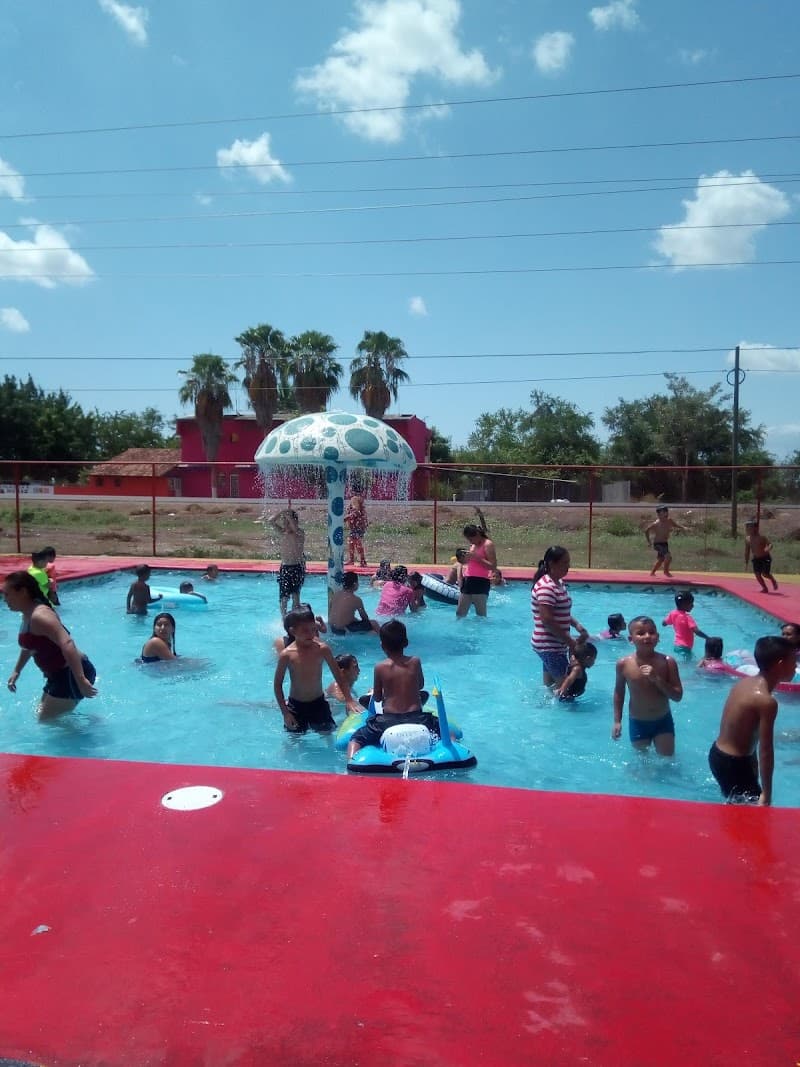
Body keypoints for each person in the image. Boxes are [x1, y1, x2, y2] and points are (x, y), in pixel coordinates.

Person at [708, 635, 796, 805]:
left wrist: (751, 762)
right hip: (734, 764)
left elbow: (744, 731)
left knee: (737, 808)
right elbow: (766, 751)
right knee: (753, 818)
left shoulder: (744, 683)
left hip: (719, 755)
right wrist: (767, 795)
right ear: (780, 665)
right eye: (793, 662)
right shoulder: (766, 701)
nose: (795, 666)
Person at [4, 570, 98, 719]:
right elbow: (30, 645)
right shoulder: (28, 614)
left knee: (47, 723)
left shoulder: (40, 616)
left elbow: (67, 643)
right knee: (43, 715)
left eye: (7, 594)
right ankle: (90, 721)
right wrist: (17, 671)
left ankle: (93, 728)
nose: (4, 599)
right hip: (58, 675)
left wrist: (81, 680)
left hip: (70, 674)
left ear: (22, 592)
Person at [346, 620, 439, 758]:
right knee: (446, 731)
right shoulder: (415, 661)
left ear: (382, 646)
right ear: (406, 642)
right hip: (417, 718)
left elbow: (377, 698)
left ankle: (351, 763)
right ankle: (453, 753)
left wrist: (386, 692)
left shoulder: (380, 667)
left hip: (388, 721)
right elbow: (420, 685)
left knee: (356, 739)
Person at [273, 607, 361, 733]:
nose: (311, 634)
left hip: (319, 704)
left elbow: (338, 675)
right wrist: (285, 713)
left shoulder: (322, 649)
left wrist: (349, 699)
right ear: (293, 631)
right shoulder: (287, 655)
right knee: (294, 740)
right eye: (305, 630)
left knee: (328, 735)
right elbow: (277, 685)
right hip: (296, 706)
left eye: (313, 629)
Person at [612, 615, 683, 756]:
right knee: (642, 765)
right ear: (631, 639)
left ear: (658, 636)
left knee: (667, 761)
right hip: (638, 722)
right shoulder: (623, 664)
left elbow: (677, 696)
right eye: (641, 633)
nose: (647, 636)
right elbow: (619, 692)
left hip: (663, 721)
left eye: (651, 632)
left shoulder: (668, 662)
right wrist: (617, 721)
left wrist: (657, 679)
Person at [530, 546, 588, 687]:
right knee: (569, 689)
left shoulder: (559, 583)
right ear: (552, 563)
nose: (568, 566)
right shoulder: (546, 587)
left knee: (550, 687)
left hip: (553, 645)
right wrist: (571, 641)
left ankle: (542, 708)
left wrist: (577, 625)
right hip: (549, 646)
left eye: (568, 562)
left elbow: (561, 612)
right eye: (564, 563)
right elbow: (547, 619)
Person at [456, 520, 497, 618]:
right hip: (468, 580)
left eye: (471, 539)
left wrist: (476, 557)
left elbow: (493, 566)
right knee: (460, 613)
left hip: (480, 582)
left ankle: (481, 632)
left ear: (477, 534)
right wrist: (463, 559)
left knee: (480, 615)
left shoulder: (488, 544)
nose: (470, 542)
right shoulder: (473, 545)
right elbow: (471, 562)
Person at [269, 508, 306, 616]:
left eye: (288, 522)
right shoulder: (282, 533)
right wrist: (281, 512)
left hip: (297, 567)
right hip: (285, 568)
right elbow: (270, 521)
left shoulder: (299, 533)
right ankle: (284, 619)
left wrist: (289, 516)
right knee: (283, 598)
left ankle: (295, 618)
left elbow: (294, 528)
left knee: (295, 595)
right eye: (284, 522)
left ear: (295, 522)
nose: (286, 525)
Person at [662, 591, 709, 658]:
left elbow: (664, 623)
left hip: (677, 645)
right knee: (688, 663)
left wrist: (664, 623)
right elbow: (697, 631)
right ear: (684, 604)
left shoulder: (672, 613)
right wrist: (707, 638)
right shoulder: (687, 617)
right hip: (685, 647)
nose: (693, 605)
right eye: (691, 603)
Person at [645, 505, 686, 578]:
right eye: (662, 513)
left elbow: (675, 525)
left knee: (661, 559)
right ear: (658, 515)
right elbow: (646, 530)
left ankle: (652, 573)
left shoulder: (669, 520)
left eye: (666, 513)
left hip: (664, 543)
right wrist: (649, 542)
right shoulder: (656, 524)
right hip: (657, 544)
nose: (665, 514)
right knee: (668, 557)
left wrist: (683, 527)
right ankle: (666, 572)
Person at [743, 518, 779, 593]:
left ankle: (772, 580)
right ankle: (764, 588)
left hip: (765, 557)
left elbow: (770, 544)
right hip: (756, 559)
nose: (747, 529)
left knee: (765, 574)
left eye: (749, 527)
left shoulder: (761, 537)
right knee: (757, 574)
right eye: (746, 527)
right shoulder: (748, 539)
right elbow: (747, 551)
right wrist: (746, 562)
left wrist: (768, 548)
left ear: (755, 528)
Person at [344, 494, 369, 567]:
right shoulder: (358, 500)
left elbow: (355, 513)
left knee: (357, 543)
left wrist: (344, 519)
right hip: (356, 527)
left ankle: (362, 560)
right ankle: (353, 560)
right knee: (351, 542)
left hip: (357, 527)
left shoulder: (355, 500)